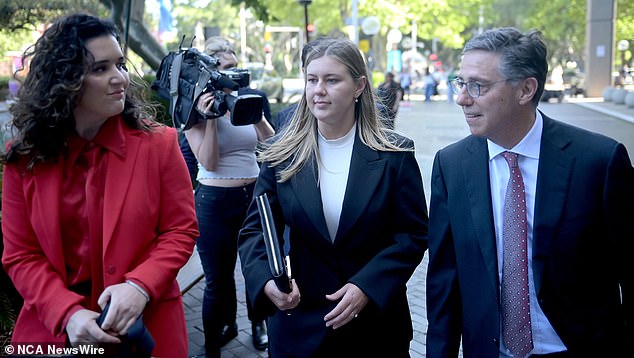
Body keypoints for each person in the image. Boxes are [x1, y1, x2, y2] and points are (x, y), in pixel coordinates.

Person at [426, 27, 634, 358]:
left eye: (478, 86)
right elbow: (444, 281)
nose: (462, 98)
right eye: (461, 83)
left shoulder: (598, 162)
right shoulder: (451, 165)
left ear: (526, 89)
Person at [1, 13, 198, 356]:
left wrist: (140, 285)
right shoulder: (24, 159)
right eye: (100, 68)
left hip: (146, 326)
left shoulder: (160, 145)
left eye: (120, 65)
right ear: (65, 80)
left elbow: (180, 230)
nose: (119, 78)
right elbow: (21, 256)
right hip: (55, 331)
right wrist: (67, 312)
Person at [238, 37, 428, 357]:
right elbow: (255, 229)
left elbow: (412, 234)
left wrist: (368, 285)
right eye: (312, 80)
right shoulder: (280, 154)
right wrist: (266, 283)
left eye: (331, 80)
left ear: (358, 87)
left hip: (375, 327)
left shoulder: (395, 154)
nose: (318, 90)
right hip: (299, 323)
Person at [184, 35, 275, 357]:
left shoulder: (248, 99)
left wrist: (257, 114)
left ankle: (258, 325)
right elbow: (207, 162)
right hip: (215, 202)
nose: (231, 78)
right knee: (218, 282)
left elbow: (273, 146)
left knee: (257, 269)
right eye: (224, 71)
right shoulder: (192, 110)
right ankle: (213, 345)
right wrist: (209, 120)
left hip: (254, 198)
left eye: (235, 69)